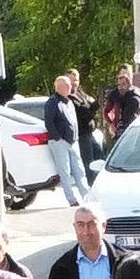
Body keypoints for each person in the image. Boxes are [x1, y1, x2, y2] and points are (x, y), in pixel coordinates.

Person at [37, 71, 92, 205]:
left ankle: (87, 197)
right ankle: (72, 200)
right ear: (59, 87)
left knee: (80, 170)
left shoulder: (69, 102)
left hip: (73, 141)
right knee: (65, 172)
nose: (70, 88)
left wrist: (75, 137)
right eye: (67, 86)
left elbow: (73, 121)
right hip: (60, 142)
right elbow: (49, 122)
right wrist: (57, 138)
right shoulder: (52, 102)